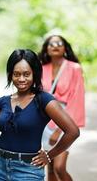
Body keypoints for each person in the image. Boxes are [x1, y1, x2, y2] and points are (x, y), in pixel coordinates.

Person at [0, 49, 80, 181]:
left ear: (35, 74)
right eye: (16, 74)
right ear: (10, 75)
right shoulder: (2, 101)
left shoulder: (44, 100)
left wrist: (49, 155)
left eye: (26, 74)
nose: (21, 79)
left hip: (28, 170)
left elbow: (73, 131)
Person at [38, 34, 85, 181]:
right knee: (49, 167)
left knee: (59, 167)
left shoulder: (74, 68)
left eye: (59, 43)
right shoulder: (41, 68)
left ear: (65, 47)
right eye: (51, 44)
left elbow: (77, 100)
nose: (55, 46)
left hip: (64, 120)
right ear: (46, 49)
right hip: (43, 121)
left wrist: (60, 129)